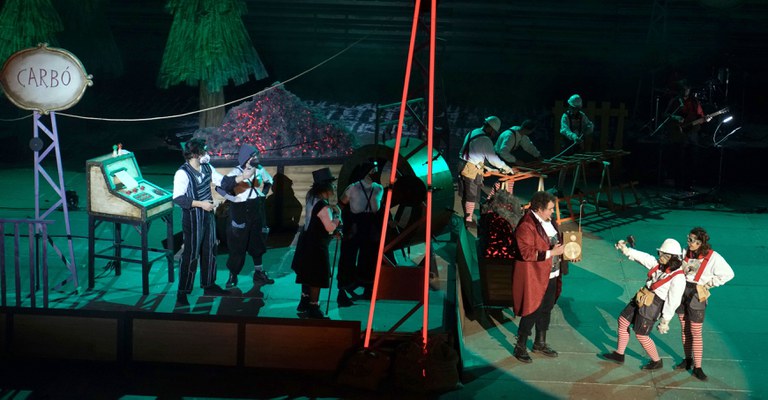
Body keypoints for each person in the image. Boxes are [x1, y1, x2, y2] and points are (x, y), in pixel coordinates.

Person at [603, 238, 687, 370]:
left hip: (654, 305)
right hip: (643, 296)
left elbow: (673, 300)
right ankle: (619, 354)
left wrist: (665, 320)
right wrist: (626, 250)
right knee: (623, 321)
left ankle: (656, 361)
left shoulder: (678, 278)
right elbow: (645, 258)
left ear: (672, 258)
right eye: (660, 254)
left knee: (641, 335)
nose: (659, 257)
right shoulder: (660, 265)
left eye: (663, 255)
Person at [172, 138, 231, 306]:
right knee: (190, 255)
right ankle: (183, 292)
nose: (207, 153)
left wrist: (241, 176)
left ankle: (209, 285)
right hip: (192, 219)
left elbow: (223, 181)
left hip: (207, 216)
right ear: (196, 154)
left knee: (210, 250)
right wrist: (201, 204)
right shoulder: (182, 173)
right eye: (204, 150)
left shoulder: (206, 167)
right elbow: (178, 198)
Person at [511, 190, 567, 363]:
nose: (553, 212)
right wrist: (552, 253)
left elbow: (556, 242)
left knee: (546, 308)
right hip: (535, 276)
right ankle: (520, 345)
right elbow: (526, 252)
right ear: (539, 209)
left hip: (552, 273)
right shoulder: (526, 225)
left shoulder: (549, 221)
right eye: (550, 209)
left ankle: (539, 343)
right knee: (532, 309)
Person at [674, 227, 735, 381]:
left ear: (700, 242)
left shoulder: (713, 257)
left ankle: (698, 367)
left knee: (696, 332)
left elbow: (729, 274)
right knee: (684, 329)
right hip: (681, 290)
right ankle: (688, 360)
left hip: (696, 294)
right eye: (688, 238)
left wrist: (708, 284)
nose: (688, 242)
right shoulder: (685, 252)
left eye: (691, 240)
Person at [217, 145, 275, 288]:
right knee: (237, 244)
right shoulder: (236, 172)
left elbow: (269, 181)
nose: (256, 158)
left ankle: (259, 273)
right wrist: (232, 198)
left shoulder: (259, 169)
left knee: (257, 241)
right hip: (240, 210)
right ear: (246, 158)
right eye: (253, 156)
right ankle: (233, 275)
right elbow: (221, 187)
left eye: (256, 155)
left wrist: (263, 194)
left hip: (256, 208)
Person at [290, 172, 343, 319]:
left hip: (306, 240)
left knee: (307, 273)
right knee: (316, 276)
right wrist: (338, 216)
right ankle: (314, 306)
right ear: (325, 187)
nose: (334, 187)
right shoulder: (323, 208)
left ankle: (304, 301)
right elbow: (330, 227)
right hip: (316, 246)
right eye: (332, 184)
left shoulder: (310, 196)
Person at [337, 161, 384, 306]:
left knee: (369, 256)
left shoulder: (379, 188)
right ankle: (344, 288)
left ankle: (368, 286)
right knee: (348, 256)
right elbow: (341, 205)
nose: (375, 173)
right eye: (372, 171)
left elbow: (380, 208)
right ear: (366, 172)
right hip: (354, 224)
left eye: (375, 171)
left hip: (371, 225)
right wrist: (339, 223)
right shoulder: (353, 188)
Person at [458, 116, 514, 230]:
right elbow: (493, 159)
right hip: (471, 169)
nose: (493, 134)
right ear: (491, 128)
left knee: (466, 194)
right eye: (494, 132)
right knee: (471, 196)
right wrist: (506, 168)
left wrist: (488, 168)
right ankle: (468, 221)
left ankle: (468, 218)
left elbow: (476, 153)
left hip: (462, 164)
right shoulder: (485, 140)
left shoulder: (473, 132)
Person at [662, 80, 709, 188]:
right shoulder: (675, 101)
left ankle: (689, 184)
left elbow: (701, 117)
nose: (685, 91)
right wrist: (676, 117)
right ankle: (678, 183)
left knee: (692, 158)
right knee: (679, 158)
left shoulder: (695, 102)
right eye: (683, 89)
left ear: (689, 89)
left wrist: (706, 119)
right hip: (679, 134)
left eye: (687, 89)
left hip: (692, 134)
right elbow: (665, 114)